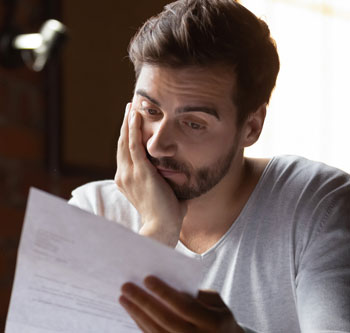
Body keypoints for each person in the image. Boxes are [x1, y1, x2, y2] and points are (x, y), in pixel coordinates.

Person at [69, 0, 350, 332]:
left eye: (193, 124)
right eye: (150, 110)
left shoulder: (319, 204)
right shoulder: (94, 211)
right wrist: (157, 232)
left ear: (251, 127)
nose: (157, 144)